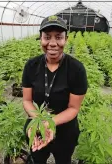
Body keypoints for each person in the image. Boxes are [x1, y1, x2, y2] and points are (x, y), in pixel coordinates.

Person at [22, 15, 88, 164]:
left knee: (63, 160)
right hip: (36, 126)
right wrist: (39, 123)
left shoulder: (76, 69)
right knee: (37, 159)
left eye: (58, 37)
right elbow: (26, 100)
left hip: (65, 129)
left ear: (66, 39)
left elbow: (73, 108)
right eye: (47, 37)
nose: (52, 43)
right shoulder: (31, 66)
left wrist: (49, 124)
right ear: (40, 39)